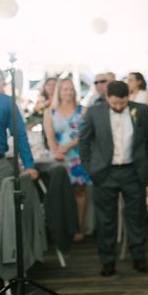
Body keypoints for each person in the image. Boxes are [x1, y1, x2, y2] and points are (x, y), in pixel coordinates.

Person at [79, 80, 148, 276]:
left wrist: (145, 168)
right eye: (115, 104)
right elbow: (84, 142)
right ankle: (108, 261)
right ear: (107, 98)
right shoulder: (94, 112)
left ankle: (139, 258)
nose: (119, 107)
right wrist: (91, 169)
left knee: (137, 217)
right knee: (105, 220)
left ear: (128, 98)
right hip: (105, 173)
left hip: (133, 171)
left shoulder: (142, 110)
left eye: (122, 103)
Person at [0, 60, 39, 287]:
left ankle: (10, 274)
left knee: (5, 219)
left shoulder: (4, 102)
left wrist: (29, 165)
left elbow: (20, 136)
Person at [43, 77, 91, 242]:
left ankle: (79, 227)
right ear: (59, 91)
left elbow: (86, 134)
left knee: (79, 191)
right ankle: (64, 227)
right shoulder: (50, 112)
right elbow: (49, 136)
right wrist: (56, 151)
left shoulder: (82, 111)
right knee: (61, 192)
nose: (68, 92)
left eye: (71, 89)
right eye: (65, 89)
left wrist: (69, 145)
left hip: (78, 156)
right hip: (59, 157)